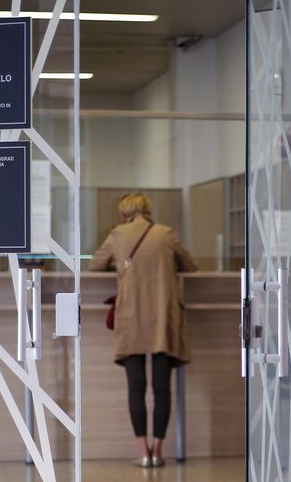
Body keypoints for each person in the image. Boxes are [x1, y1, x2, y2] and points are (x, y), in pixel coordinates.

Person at [89, 193, 197, 468]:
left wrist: (123, 264)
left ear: (124, 214)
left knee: (136, 387)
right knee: (162, 389)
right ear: (147, 212)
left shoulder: (118, 235)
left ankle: (142, 452)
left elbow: (95, 266)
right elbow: (190, 266)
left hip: (132, 317)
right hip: (162, 318)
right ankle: (158, 450)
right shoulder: (165, 234)